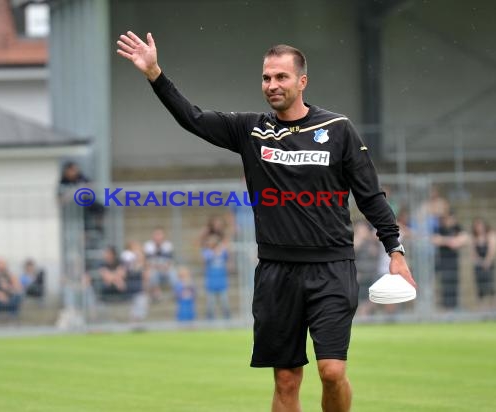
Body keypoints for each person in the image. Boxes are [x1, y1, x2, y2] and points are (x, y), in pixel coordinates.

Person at [117, 32, 416, 412]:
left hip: (332, 268)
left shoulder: (338, 129)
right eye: (266, 78)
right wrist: (156, 74)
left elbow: (370, 196)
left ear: (301, 81)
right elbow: (192, 118)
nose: (272, 85)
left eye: (281, 77)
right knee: (286, 380)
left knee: (331, 372)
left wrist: (396, 250)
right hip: (277, 271)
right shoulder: (250, 130)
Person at [431, 210, 468, 310]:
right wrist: (451, 240)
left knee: (454, 285)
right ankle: (446, 308)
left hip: (454, 262)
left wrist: (445, 240)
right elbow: (435, 240)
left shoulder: (457, 228)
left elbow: (463, 240)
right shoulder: (440, 228)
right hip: (443, 262)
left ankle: (454, 308)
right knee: (445, 286)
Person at [144, 227, 177, 301]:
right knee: (151, 272)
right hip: (154, 268)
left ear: (163, 236)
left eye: (160, 234)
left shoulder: (168, 245)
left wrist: (163, 267)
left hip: (165, 268)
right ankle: (156, 293)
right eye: (156, 234)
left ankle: (176, 292)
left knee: (173, 272)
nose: (158, 237)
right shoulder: (148, 245)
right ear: (153, 236)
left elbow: (169, 262)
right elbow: (147, 263)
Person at [470, 218, 495, 305]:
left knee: (490, 284)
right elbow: (473, 253)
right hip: (478, 265)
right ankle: (481, 306)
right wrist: (480, 262)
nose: (478, 228)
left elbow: (492, 250)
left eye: (480, 225)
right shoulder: (474, 237)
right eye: (476, 226)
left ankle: (492, 305)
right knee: (479, 287)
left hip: (489, 264)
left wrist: (487, 261)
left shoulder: (490, 235)